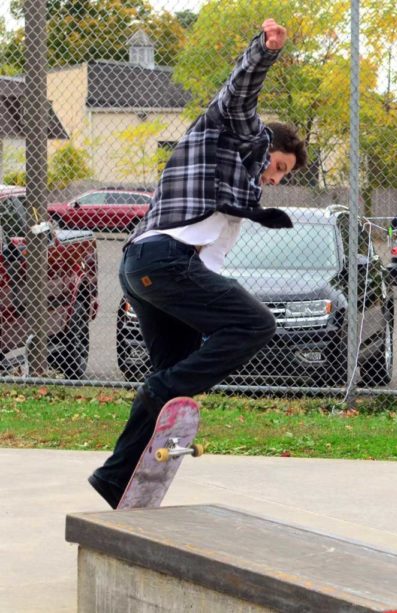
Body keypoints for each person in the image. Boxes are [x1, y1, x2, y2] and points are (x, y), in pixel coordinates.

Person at [88, 19, 307, 509]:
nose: (274, 178)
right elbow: (238, 93)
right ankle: (166, 386)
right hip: (163, 261)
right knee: (255, 323)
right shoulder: (237, 136)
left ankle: (114, 477)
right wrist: (264, 50)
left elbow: (210, 253)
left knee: (171, 378)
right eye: (279, 167)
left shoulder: (242, 187)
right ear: (269, 147)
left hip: (144, 267)